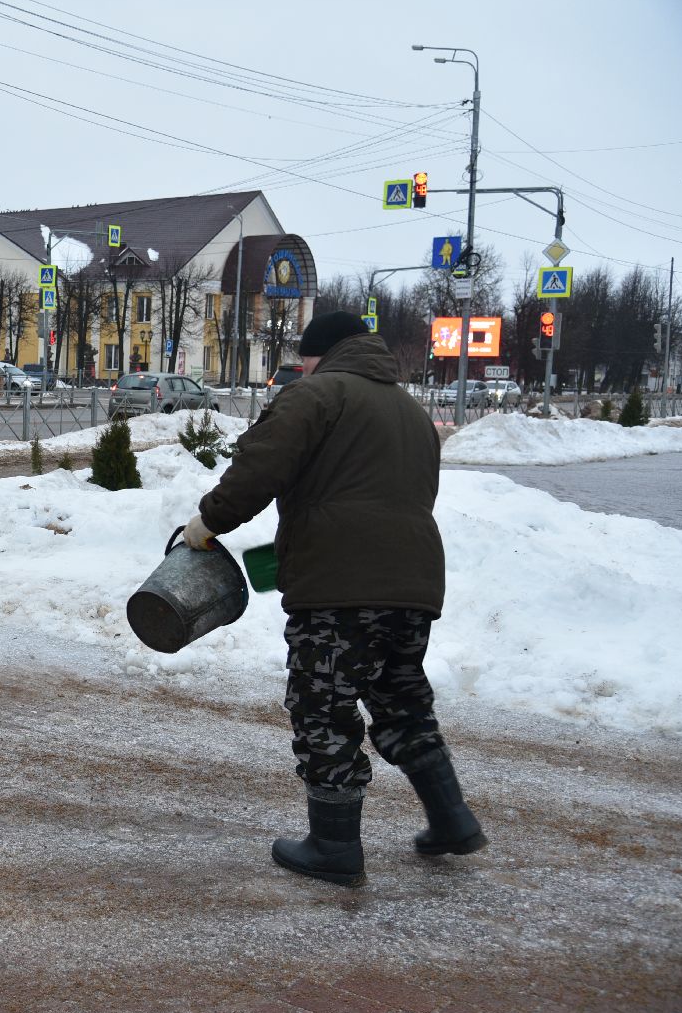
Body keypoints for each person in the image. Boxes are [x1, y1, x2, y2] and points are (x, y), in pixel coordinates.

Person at [180, 311, 486, 887]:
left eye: (304, 359)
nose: (301, 368)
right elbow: (376, 495)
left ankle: (334, 845)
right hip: (415, 581)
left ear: (322, 354)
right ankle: (452, 817)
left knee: (324, 707)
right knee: (400, 696)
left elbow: (259, 467)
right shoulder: (410, 411)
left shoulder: (316, 395)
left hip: (341, 586)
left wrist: (209, 521)